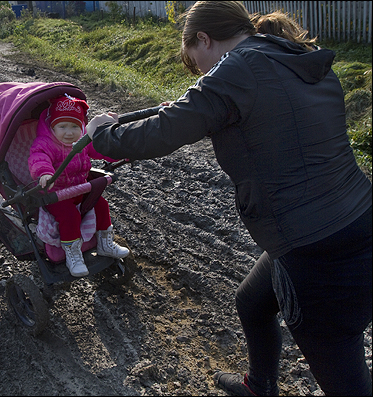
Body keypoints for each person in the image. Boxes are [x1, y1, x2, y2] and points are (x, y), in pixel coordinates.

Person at [86, 1, 372, 395]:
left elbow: (161, 134)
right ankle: (259, 386)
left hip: (314, 246)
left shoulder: (236, 69)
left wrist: (100, 134)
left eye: (195, 62)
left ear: (204, 39)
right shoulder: (287, 54)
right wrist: (206, 114)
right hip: (354, 213)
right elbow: (277, 128)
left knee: (344, 373)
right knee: (252, 301)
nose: (201, 73)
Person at [28, 94, 130, 277]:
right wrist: (44, 173)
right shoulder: (45, 143)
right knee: (70, 215)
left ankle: (105, 244)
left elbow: (100, 150)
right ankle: (72, 254)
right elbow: (38, 159)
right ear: (52, 126)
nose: (69, 132)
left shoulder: (82, 141)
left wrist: (121, 152)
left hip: (79, 189)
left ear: (82, 126)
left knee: (101, 204)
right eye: (62, 126)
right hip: (55, 195)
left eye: (75, 126)